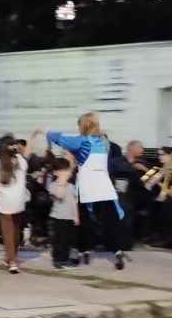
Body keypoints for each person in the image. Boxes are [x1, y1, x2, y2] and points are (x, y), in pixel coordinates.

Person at [46, 114, 126, 268]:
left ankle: (82, 250)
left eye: (79, 125)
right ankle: (117, 250)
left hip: (87, 184)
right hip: (104, 183)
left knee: (83, 218)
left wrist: (47, 132)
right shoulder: (104, 142)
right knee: (110, 219)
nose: (78, 128)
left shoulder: (83, 140)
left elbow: (63, 140)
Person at [0, 134, 37, 274]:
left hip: (3, 201)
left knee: (7, 231)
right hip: (19, 200)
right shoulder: (20, 161)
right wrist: (33, 136)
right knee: (16, 229)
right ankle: (12, 257)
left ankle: (12, 260)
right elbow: (27, 152)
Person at [48, 157, 80, 269]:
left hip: (69, 217)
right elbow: (59, 195)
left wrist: (76, 216)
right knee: (59, 240)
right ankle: (57, 259)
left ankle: (65, 259)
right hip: (58, 217)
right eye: (63, 171)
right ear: (56, 172)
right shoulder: (53, 185)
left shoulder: (71, 186)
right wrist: (61, 181)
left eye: (67, 170)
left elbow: (74, 202)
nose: (67, 173)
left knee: (68, 239)